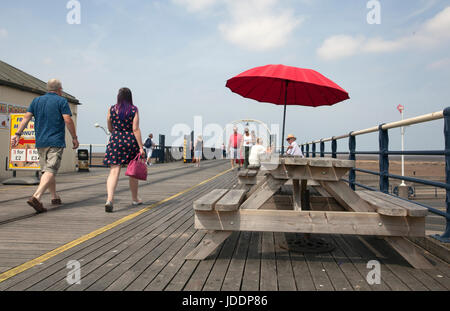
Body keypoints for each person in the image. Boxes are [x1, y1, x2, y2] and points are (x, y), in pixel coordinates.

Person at [10, 79, 79, 214]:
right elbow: (68, 120)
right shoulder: (61, 101)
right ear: (60, 89)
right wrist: (74, 138)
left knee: (47, 170)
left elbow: (26, 118)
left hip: (40, 141)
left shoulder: (36, 101)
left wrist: (18, 134)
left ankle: (54, 197)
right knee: (51, 169)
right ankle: (36, 197)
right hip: (55, 141)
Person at [103, 87, 145, 213]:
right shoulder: (134, 109)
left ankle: (109, 200)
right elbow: (135, 129)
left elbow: (109, 126)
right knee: (132, 171)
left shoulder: (112, 109)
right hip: (130, 141)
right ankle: (134, 198)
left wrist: (116, 132)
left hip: (116, 140)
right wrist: (141, 147)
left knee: (114, 171)